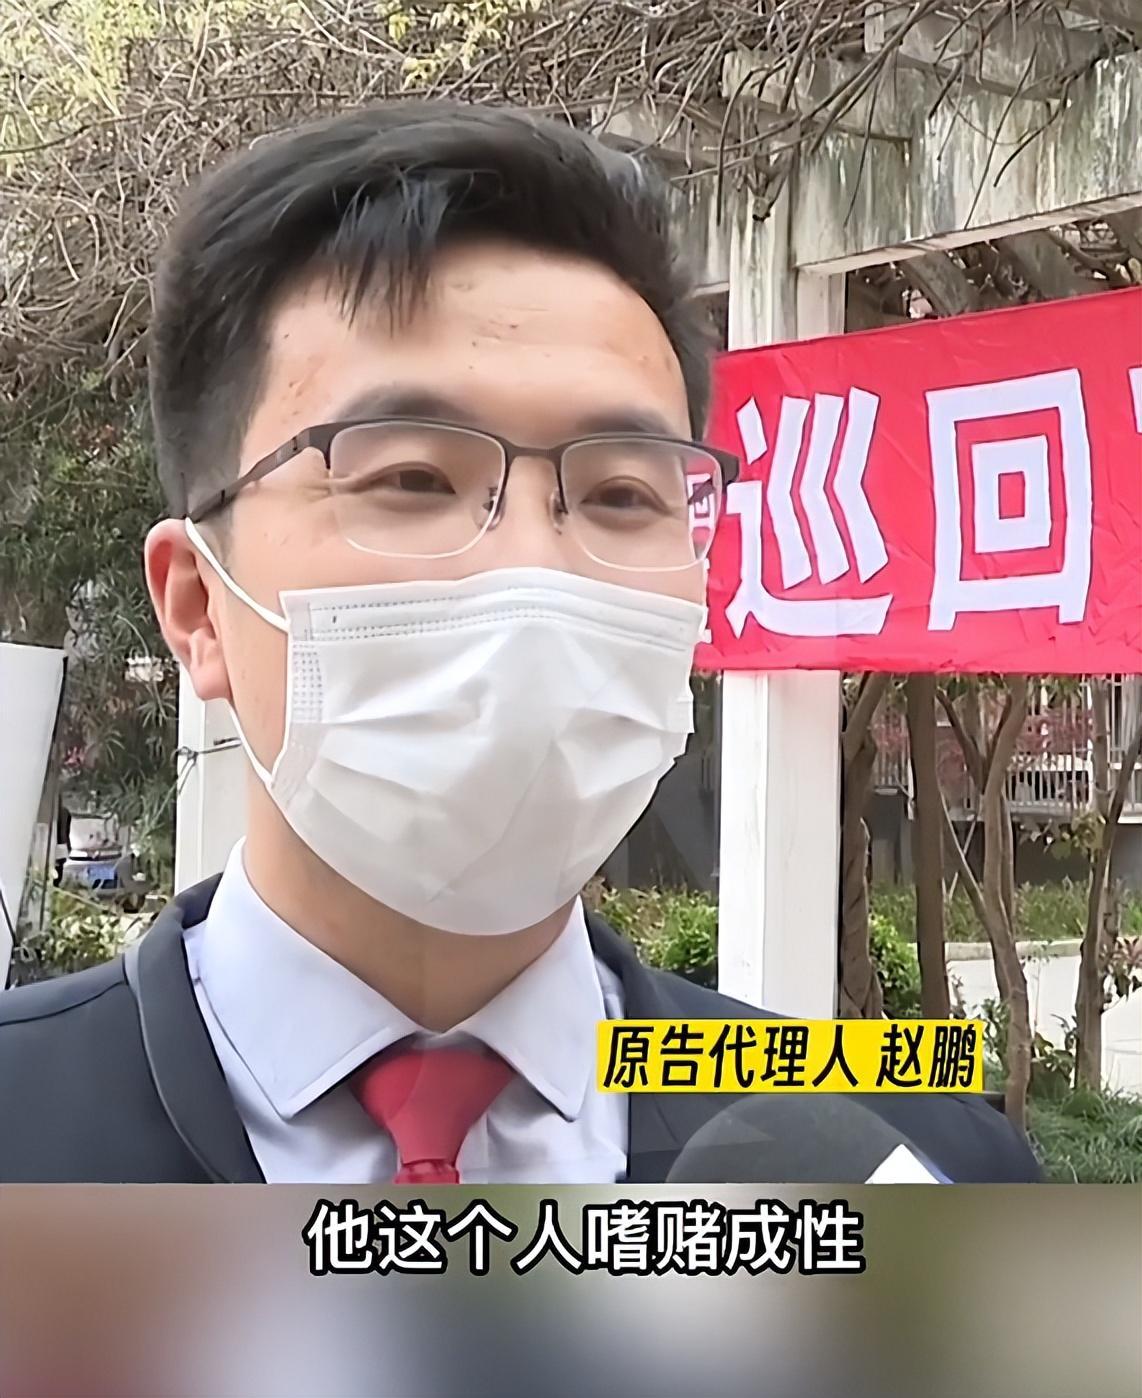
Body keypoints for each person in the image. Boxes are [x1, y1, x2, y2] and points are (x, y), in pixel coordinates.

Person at [0, 101, 1040, 1184]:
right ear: (197, 605)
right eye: (413, 478)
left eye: (622, 493)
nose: (537, 570)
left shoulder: (914, 1167)